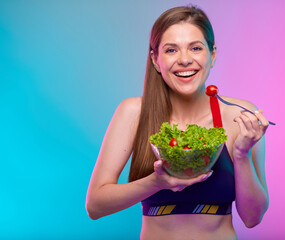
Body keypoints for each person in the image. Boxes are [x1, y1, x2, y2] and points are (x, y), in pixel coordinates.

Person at [86, 5, 269, 240]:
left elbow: (252, 218)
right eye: (171, 50)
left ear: (212, 55)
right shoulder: (133, 112)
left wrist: (242, 154)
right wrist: (156, 182)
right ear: (155, 59)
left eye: (195, 48)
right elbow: (95, 206)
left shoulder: (239, 115)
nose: (184, 60)